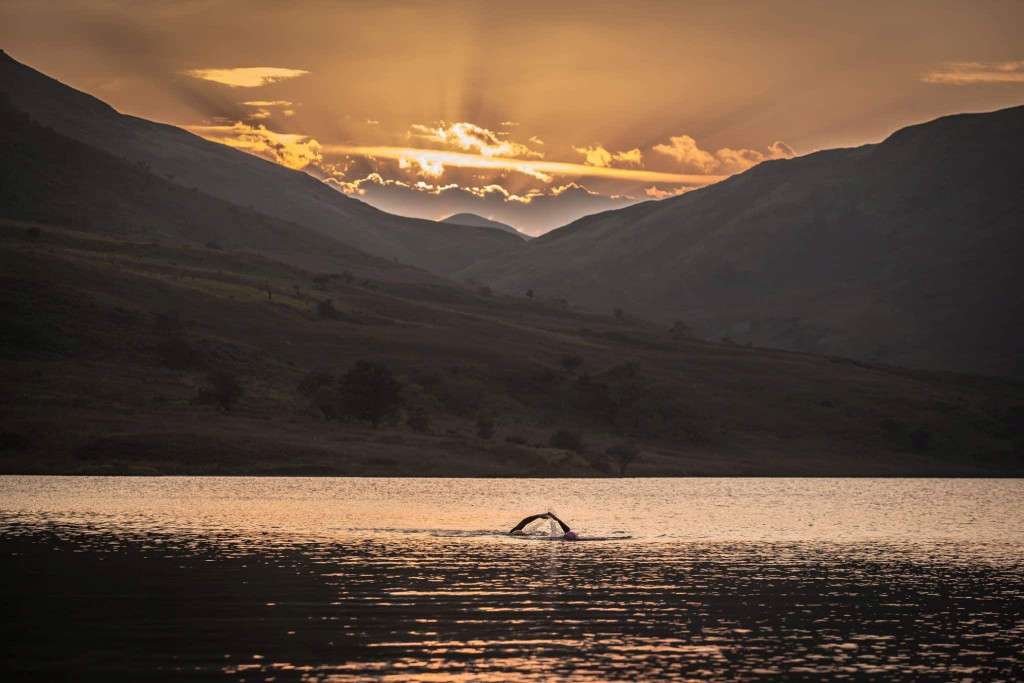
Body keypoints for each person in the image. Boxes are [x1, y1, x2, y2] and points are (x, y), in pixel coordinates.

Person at [509, 512, 578, 540]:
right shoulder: (561, 538)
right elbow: (567, 530)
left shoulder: (511, 533)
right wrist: (556, 519)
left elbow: (524, 522)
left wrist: (538, 516)